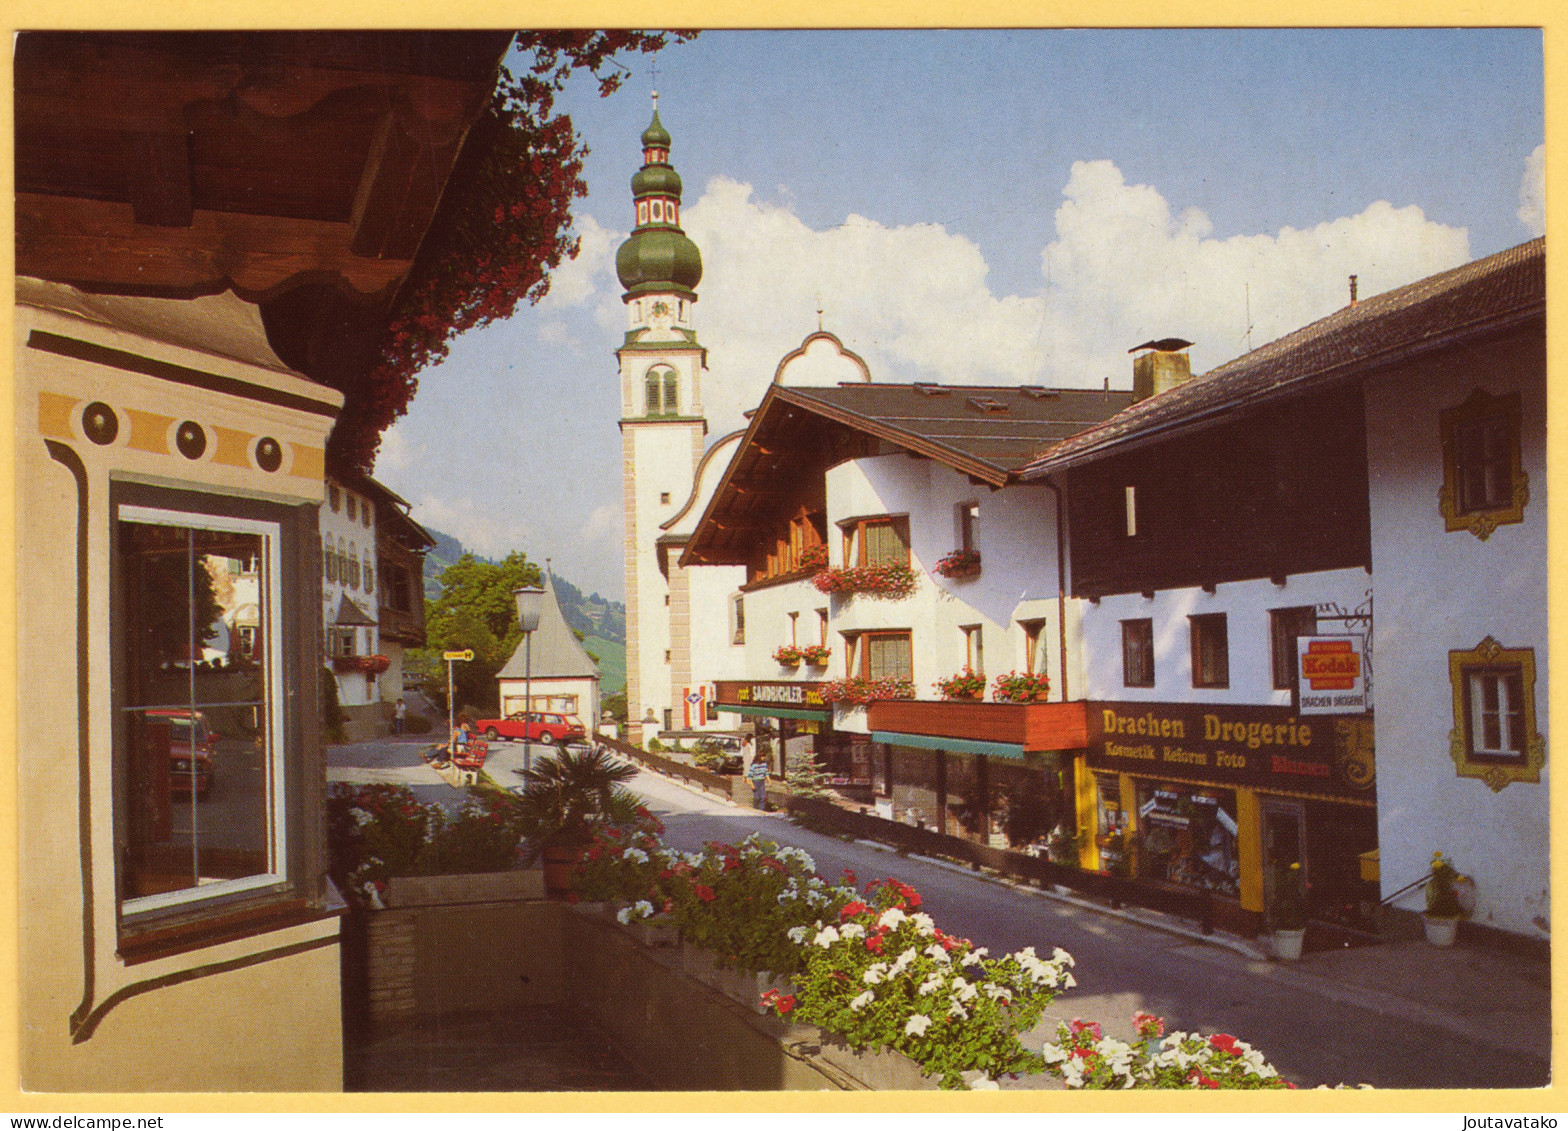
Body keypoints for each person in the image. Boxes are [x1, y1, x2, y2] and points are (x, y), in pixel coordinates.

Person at [746, 737, 769, 810]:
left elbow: (766, 773)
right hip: (755, 782)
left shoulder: (764, 764)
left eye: (764, 756)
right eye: (762, 756)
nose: (764, 758)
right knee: (756, 798)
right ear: (759, 757)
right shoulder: (754, 765)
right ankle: (754, 809)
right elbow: (749, 776)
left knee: (763, 797)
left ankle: (761, 810)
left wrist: (769, 781)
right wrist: (751, 784)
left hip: (761, 782)